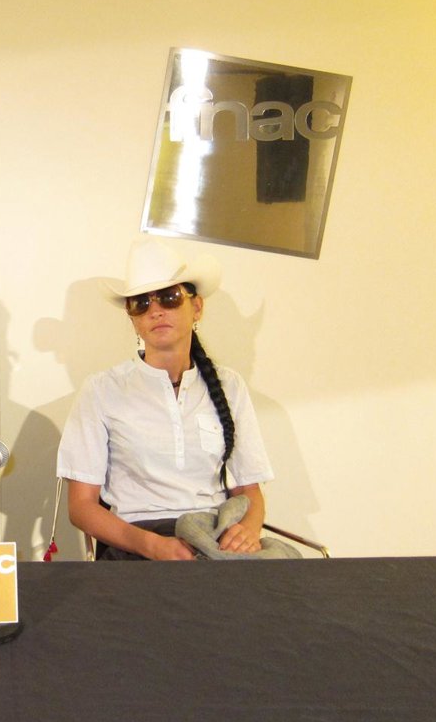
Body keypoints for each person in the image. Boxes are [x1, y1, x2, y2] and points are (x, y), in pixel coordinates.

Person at [57, 238, 275, 560]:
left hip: (211, 539)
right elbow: (81, 506)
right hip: (135, 546)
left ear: (196, 307)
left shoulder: (230, 386)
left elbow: (248, 490)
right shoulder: (102, 390)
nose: (155, 311)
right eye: (141, 303)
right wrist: (151, 545)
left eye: (169, 298)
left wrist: (248, 531)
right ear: (133, 318)